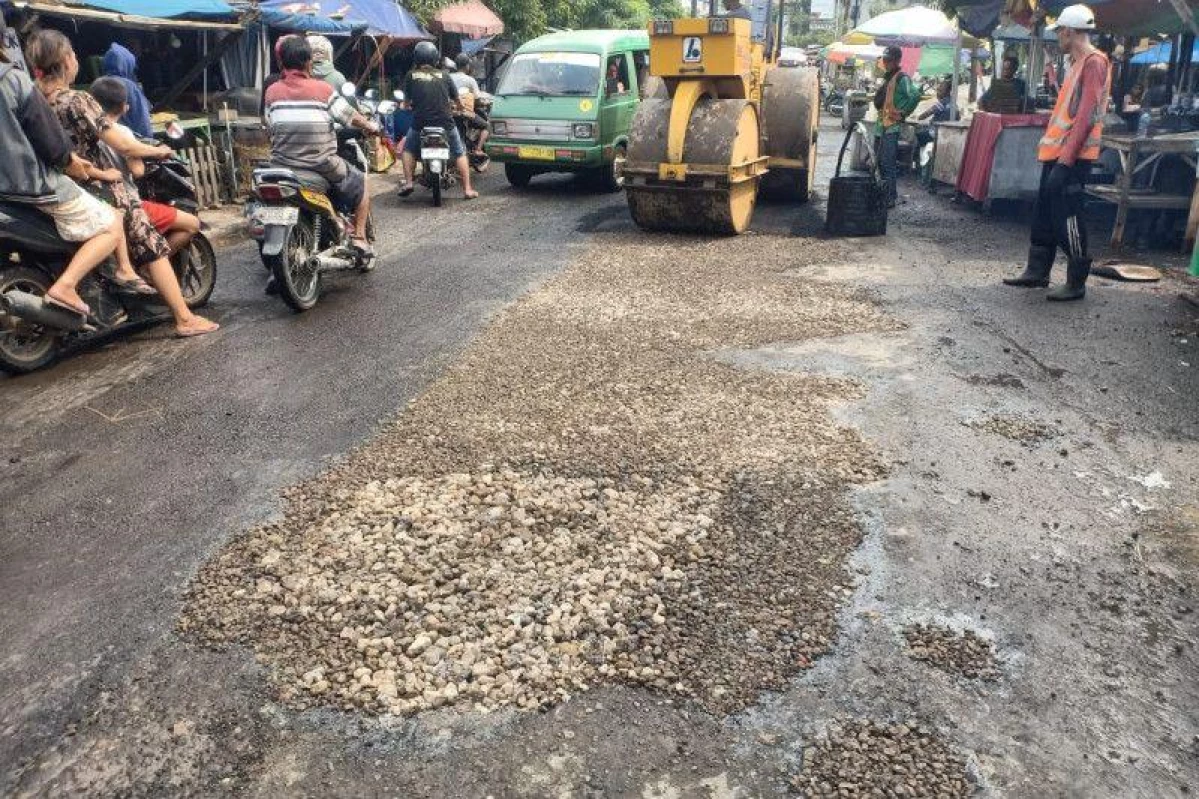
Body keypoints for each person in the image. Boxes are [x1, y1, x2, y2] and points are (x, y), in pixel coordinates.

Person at [27, 28, 218, 336]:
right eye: (74, 54)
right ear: (64, 60)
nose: (77, 60)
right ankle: (184, 318)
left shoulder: (33, 99)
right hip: (101, 187)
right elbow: (125, 145)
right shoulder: (77, 100)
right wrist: (158, 149)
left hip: (60, 187)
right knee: (153, 248)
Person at [0, 25, 125, 317]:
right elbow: (51, 142)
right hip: (32, 186)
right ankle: (66, 286)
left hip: (7, 196)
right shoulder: (14, 80)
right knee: (110, 222)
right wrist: (75, 167)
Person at [1003, 4, 1109, 302]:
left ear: (1069, 31)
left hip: (1072, 159)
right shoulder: (1077, 63)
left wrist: (1065, 162)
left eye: (1060, 32)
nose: (1058, 38)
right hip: (1058, 154)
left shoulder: (1093, 63)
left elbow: (1087, 116)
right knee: (1045, 214)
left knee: (1069, 216)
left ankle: (1076, 282)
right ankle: (1037, 271)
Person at [263, 35, 380, 251]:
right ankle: (360, 238)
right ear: (309, 62)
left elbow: (269, 125)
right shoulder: (323, 90)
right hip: (320, 163)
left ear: (281, 62)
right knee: (363, 183)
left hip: (280, 166)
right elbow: (349, 115)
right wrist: (370, 126)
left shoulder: (271, 92)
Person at [90, 76, 201, 256]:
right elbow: (138, 171)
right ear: (125, 106)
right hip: (125, 202)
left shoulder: (84, 130)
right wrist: (154, 152)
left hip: (95, 200)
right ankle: (150, 268)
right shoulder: (122, 133)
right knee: (192, 224)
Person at [398, 41, 477, 200]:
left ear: (417, 58)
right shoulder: (445, 75)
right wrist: (461, 108)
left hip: (421, 123)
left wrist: (404, 105)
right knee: (460, 152)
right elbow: (458, 101)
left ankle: (408, 183)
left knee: (408, 150)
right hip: (445, 123)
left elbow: (406, 104)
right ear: (435, 58)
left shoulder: (411, 75)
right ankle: (467, 189)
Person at [873, 45, 920, 209]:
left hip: (891, 128)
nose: (886, 63)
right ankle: (881, 194)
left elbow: (914, 95)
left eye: (889, 60)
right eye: (885, 60)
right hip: (880, 127)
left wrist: (903, 113)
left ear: (897, 61)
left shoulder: (902, 78)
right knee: (877, 163)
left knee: (887, 164)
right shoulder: (888, 78)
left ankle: (890, 197)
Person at [101, 42, 152, 139]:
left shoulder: (98, 85)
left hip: (107, 141)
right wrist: (148, 141)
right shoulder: (129, 86)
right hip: (130, 141)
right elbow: (142, 119)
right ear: (127, 63)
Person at [451, 52, 488, 157]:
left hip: (448, 113)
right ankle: (478, 149)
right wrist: (484, 102)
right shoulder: (470, 80)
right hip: (463, 113)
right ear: (467, 66)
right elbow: (477, 99)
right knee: (486, 126)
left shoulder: (448, 77)